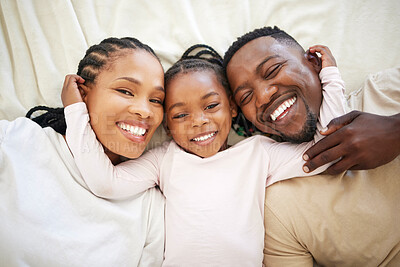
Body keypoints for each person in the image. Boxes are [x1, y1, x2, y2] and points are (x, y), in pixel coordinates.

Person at [61, 43, 345, 266]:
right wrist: (76, 112)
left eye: (211, 106)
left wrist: (330, 78)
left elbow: (327, 150)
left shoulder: (257, 154)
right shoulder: (164, 159)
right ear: (168, 126)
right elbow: (104, 182)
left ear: (232, 108)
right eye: (181, 114)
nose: (198, 121)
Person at [223, 26, 400, 266]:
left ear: (314, 63)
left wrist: (395, 131)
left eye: (272, 70)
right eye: (246, 97)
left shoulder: (385, 92)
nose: (263, 96)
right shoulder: (277, 209)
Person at [0, 37, 166, 266]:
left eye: (156, 100)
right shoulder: (16, 140)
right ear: (82, 93)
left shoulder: (151, 207)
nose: (145, 111)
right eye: (126, 91)